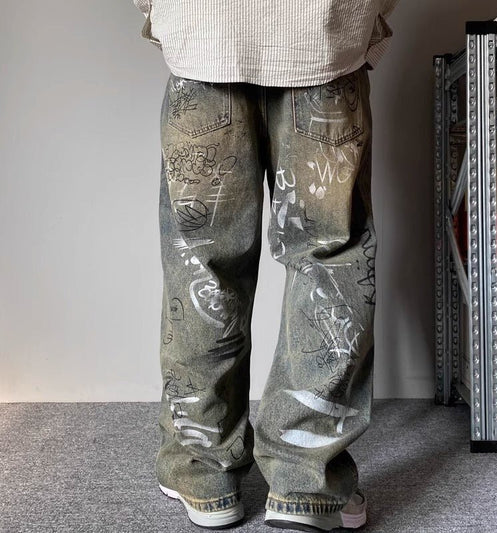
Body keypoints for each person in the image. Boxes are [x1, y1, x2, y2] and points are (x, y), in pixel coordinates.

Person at [132, 1, 399, 531]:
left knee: (202, 264)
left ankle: (204, 472)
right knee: (327, 263)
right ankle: (306, 480)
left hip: (202, 31)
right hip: (321, 37)